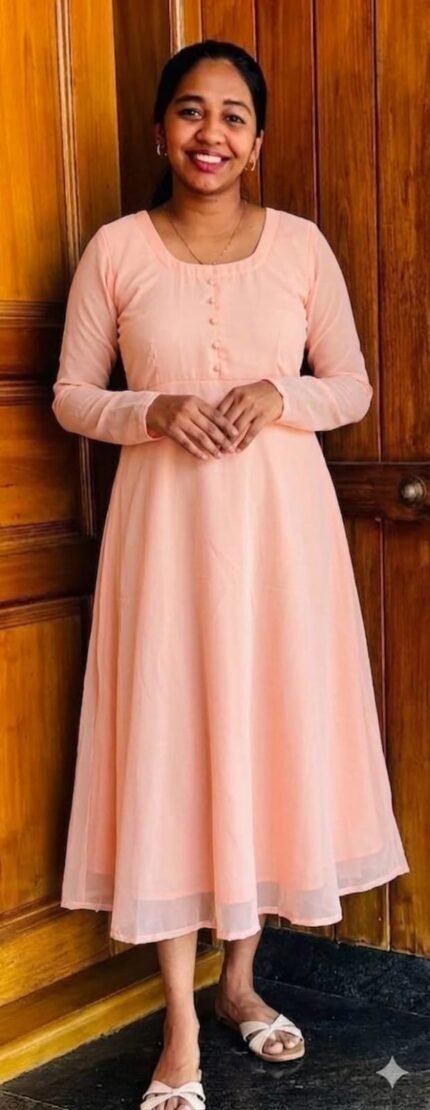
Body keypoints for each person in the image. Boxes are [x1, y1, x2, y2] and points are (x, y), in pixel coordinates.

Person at [52, 38, 410, 1110]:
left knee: (260, 736)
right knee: (169, 741)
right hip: (161, 540)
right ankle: (178, 1024)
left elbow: (350, 386)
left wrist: (278, 393)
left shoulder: (301, 247)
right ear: (161, 130)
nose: (210, 133)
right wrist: (151, 409)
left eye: (233, 117)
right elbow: (72, 395)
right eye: (190, 111)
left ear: (256, 142)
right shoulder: (117, 249)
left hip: (280, 544)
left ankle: (240, 984)